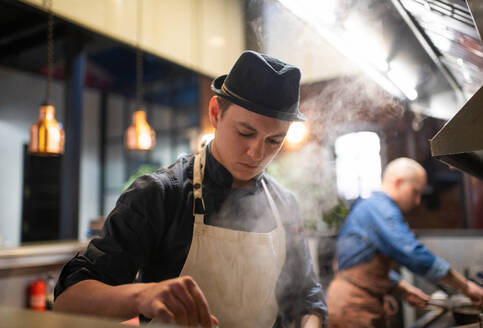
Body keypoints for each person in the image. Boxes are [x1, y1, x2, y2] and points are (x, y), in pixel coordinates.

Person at [54, 50, 327, 328]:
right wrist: (141, 295)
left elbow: (307, 298)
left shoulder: (284, 204)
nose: (256, 152)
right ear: (215, 114)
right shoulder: (160, 194)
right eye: (245, 132)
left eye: (274, 140)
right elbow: (68, 300)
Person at [326, 157, 483, 328]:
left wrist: (403, 289)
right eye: (415, 192)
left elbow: (362, 263)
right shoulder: (380, 209)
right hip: (352, 306)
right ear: (398, 182)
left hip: (362, 302)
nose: (417, 201)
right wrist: (466, 286)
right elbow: (412, 253)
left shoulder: (372, 207)